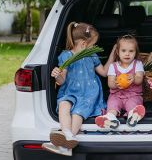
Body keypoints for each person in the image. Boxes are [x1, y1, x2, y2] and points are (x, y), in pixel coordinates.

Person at [42, 22, 115, 156]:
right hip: (70, 91)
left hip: (89, 93)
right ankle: (68, 135)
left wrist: (113, 55)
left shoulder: (92, 55)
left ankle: (66, 144)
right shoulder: (65, 56)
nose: (94, 47)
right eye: (93, 44)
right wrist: (57, 75)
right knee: (64, 105)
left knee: (77, 113)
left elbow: (104, 72)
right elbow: (61, 81)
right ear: (83, 44)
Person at [95, 34, 146, 129]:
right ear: (117, 52)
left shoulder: (138, 64)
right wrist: (116, 84)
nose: (127, 54)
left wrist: (134, 78)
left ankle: (133, 115)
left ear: (135, 52)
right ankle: (110, 118)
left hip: (133, 94)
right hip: (116, 95)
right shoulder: (113, 66)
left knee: (133, 104)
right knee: (112, 105)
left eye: (131, 51)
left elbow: (139, 79)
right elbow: (110, 83)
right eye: (123, 51)